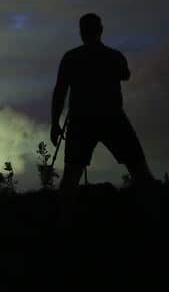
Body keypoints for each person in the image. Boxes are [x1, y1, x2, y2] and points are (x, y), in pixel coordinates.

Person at [52, 13, 155, 198]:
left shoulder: (71, 58)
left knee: (71, 175)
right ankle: (155, 209)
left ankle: (64, 215)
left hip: (83, 120)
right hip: (111, 118)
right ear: (100, 30)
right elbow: (125, 74)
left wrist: (55, 123)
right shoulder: (113, 56)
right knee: (139, 169)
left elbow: (60, 91)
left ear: (81, 32)